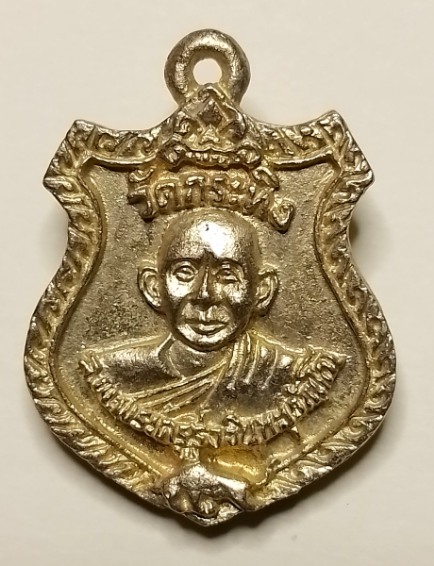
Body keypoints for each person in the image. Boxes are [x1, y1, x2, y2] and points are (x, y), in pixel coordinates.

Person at [81, 208, 344, 447]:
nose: (205, 295)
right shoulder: (112, 372)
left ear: (262, 291)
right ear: (153, 287)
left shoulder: (296, 375)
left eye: (227, 275)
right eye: (185, 273)